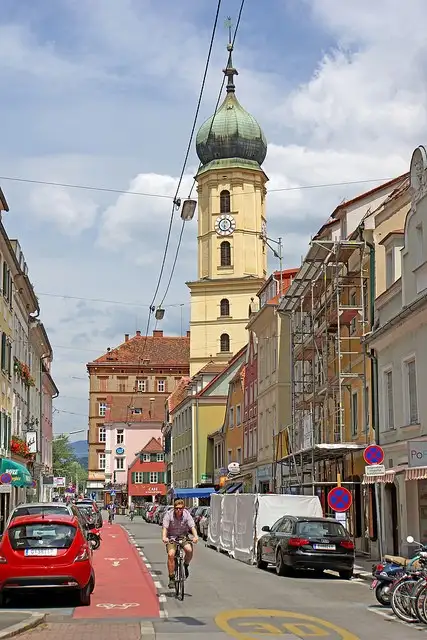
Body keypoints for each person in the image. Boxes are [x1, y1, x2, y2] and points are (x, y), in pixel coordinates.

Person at [162, 499, 198, 588]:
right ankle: (171, 577)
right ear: (174, 508)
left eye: (181, 508)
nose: (179, 510)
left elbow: (192, 526)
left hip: (183, 536)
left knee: (189, 550)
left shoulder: (186, 514)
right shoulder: (169, 515)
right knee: (171, 554)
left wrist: (195, 536)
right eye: (177, 508)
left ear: (183, 508)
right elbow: (165, 528)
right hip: (172, 537)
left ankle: (185, 565)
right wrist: (164, 537)